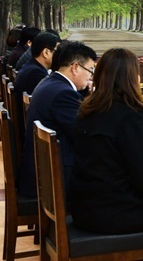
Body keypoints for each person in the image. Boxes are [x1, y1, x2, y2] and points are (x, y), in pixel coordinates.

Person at [71, 48, 143, 261]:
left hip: (84, 206)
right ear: (130, 77)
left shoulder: (87, 110)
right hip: (113, 212)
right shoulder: (128, 115)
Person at [18, 41, 97, 199]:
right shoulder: (63, 94)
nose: (90, 77)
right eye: (90, 71)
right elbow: (85, 136)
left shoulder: (51, 83)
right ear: (75, 67)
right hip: (54, 181)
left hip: (43, 174)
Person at [13, 32, 61, 141]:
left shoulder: (32, 67)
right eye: (57, 51)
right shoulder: (35, 73)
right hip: (32, 137)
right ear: (46, 52)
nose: (60, 56)